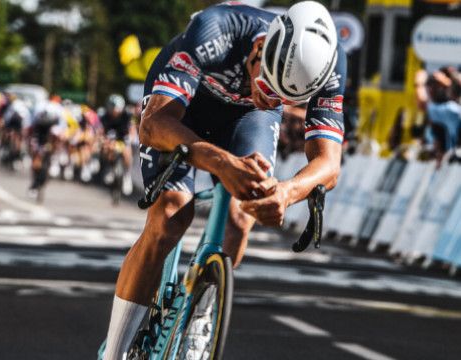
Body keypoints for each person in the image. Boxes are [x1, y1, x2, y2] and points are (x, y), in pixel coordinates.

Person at [101, 2, 346, 359]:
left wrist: (285, 192)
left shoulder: (329, 64)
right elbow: (153, 126)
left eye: (283, 99)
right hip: (183, 107)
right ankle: (115, 352)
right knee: (170, 214)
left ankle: (202, 317)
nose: (270, 99)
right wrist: (221, 162)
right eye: (268, 84)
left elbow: (329, 162)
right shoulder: (217, 28)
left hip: (248, 118)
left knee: (242, 213)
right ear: (260, 48)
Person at [100, 94, 134, 194]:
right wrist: (103, 140)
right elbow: (102, 132)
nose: (114, 111)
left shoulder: (127, 116)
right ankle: (110, 168)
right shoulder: (105, 117)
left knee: (127, 152)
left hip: (123, 139)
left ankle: (127, 175)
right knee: (106, 147)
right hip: (111, 140)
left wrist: (130, 138)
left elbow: (131, 129)